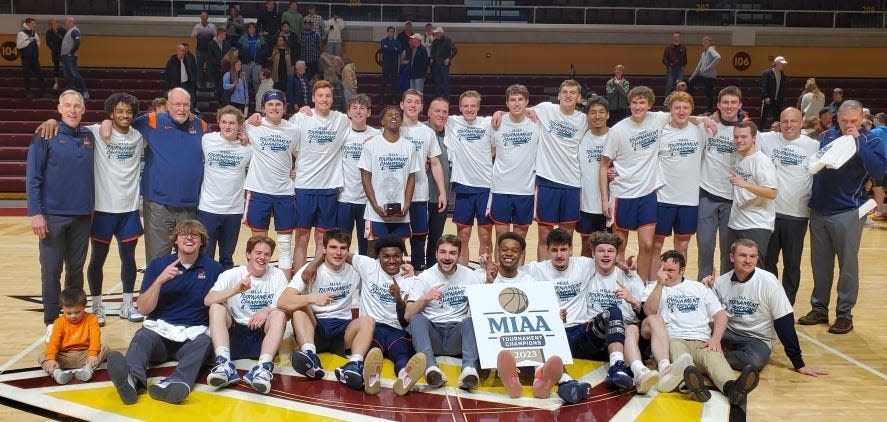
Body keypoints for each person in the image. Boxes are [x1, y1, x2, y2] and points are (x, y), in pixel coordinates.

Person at [107, 220, 223, 405]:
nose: (189, 238)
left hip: (192, 336)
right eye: (184, 234)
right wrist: (159, 281)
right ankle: (132, 380)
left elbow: (221, 306)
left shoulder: (214, 269)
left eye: (195, 235)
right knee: (142, 337)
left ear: (202, 242)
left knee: (205, 342)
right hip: (159, 334)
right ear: (175, 240)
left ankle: (177, 382)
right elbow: (143, 309)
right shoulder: (158, 265)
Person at [799, 100, 887, 334]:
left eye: (854, 122)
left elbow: (879, 171)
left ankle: (844, 314)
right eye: (844, 121)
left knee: (847, 266)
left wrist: (858, 140)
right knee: (819, 264)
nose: (848, 125)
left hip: (847, 212)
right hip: (819, 210)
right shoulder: (828, 136)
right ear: (837, 119)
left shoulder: (871, 140)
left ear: (862, 120)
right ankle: (819, 309)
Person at [522, 229, 634, 392]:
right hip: (554, 333)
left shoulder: (584, 264)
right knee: (535, 330)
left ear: (571, 250)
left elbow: (605, 258)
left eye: (563, 249)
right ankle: (564, 382)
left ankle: (617, 366)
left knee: (613, 311)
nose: (559, 255)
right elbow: (511, 273)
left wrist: (622, 265)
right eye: (554, 250)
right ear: (547, 251)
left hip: (581, 334)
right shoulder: (536, 270)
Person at [644, 250, 759, 405]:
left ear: (682, 270)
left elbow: (720, 315)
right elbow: (649, 312)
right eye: (663, 269)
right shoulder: (653, 287)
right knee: (682, 361)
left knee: (715, 359)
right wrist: (659, 284)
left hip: (702, 340)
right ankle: (692, 387)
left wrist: (716, 339)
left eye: (670, 270)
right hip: (674, 338)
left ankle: (733, 389)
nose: (665, 274)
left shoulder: (698, 287)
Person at [28, 90, 94, 340]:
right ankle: (52, 321)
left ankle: (74, 316)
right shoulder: (45, 134)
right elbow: (33, 178)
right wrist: (36, 213)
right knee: (51, 270)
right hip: (52, 216)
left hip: (81, 216)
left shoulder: (89, 135)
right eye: (67, 106)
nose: (73, 110)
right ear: (59, 109)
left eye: (77, 106)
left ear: (83, 109)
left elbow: (108, 126)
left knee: (75, 270)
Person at [496, 80, 587, 260]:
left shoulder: (584, 120)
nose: (568, 95)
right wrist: (499, 112)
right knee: (545, 236)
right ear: (559, 95)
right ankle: (544, 280)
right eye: (565, 92)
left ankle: (563, 274)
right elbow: (518, 109)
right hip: (547, 181)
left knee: (566, 237)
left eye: (573, 92)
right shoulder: (546, 109)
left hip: (573, 182)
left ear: (579, 97)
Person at [711, 239, 828, 379]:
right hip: (728, 332)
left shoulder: (769, 282)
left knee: (754, 362)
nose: (748, 260)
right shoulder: (721, 282)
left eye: (752, 256)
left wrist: (798, 363)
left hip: (757, 339)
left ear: (757, 258)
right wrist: (704, 291)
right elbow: (706, 315)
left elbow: (784, 322)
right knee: (694, 332)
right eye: (743, 255)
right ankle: (711, 356)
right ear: (732, 257)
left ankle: (708, 358)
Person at [279, 229, 376, 391]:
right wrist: (313, 298)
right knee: (298, 309)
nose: (338, 253)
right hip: (314, 327)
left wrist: (404, 272)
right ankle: (310, 355)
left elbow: (381, 271)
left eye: (343, 248)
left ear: (348, 250)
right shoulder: (310, 270)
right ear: (323, 249)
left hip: (342, 329)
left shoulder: (356, 270)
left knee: (368, 320)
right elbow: (283, 301)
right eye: (333, 247)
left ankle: (354, 364)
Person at [85, 93, 146, 325]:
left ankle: (127, 304)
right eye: (119, 111)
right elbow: (71, 125)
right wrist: (51, 122)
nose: (124, 115)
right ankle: (97, 305)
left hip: (129, 209)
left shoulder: (139, 136)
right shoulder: (96, 131)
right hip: (102, 209)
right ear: (110, 113)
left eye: (128, 111)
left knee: (128, 258)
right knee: (97, 259)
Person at [204, 234, 288, 394]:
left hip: (263, 335)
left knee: (279, 314)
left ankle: (263, 368)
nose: (262, 257)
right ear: (248, 254)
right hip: (236, 333)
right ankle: (224, 364)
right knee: (216, 307)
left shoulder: (277, 275)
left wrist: (267, 310)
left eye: (267, 254)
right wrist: (236, 290)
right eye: (258, 253)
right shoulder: (232, 275)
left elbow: (286, 308)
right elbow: (208, 300)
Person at [757, 107, 820, 304]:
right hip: (770, 213)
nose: (789, 125)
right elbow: (743, 128)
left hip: (798, 215)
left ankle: (787, 305)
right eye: (785, 121)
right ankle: (770, 303)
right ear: (779, 123)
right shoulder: (767, 139)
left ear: (802, 123)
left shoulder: (814, 146)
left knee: (792, 264)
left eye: (794, 121)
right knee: (768, 263)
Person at [404, 235, 483, 390]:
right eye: (443, 252)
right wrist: (425, 299)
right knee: (417, 318)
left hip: (457, 336)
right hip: (433, 337)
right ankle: (431, 369)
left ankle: (469, 370)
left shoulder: (470, 275)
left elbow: (482, 309)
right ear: (436, 254)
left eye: (452, 253)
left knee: (470, 321)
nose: (447, 257)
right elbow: (407, 315)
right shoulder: (424, 278)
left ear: (459, 255)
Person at [289, 80, 351, 270]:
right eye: (320, 95)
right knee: (302, 237)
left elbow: (360, 128)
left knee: (322, 238)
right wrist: (297, 162)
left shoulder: (341, 120)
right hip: (304, 186)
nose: (324, 99)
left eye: (328, 96)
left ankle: (316, 276)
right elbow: (287, 143)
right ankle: (298, 280)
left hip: (329, 187)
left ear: (332, 99)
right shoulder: (300, 118)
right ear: (313, 98)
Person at [241, 90, 300, 274]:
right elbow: (235, 132)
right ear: (263, 108)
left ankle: (284, 285)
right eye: (270, 104)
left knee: (285, 244)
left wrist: (297, 169)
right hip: (259, 191)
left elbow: (301, 154)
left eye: (278, 104)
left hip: (285, 192)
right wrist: (251, 117)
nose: (274, 108)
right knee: (258, 243)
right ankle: (258, 280)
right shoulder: (251, 125)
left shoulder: (293, 129)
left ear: (284, 107)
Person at [652, 91, 704, 280]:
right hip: (663, 197)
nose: (681, 111)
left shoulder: (700, 131)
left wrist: (703, 120)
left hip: (689, 199)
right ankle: (653, 283)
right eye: (677, 108)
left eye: (685, 108)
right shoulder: (661, 130)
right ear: (670, 110)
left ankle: (677, 282)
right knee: (656, 244)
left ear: (691, 110)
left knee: (682, 245)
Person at [360, 106, 421, 253]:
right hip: (377, 210)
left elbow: (411, 178)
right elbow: (365, 176)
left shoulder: (410, 147)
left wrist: (407, 204)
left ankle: (396, 277)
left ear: (401, 121)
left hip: (401, 212)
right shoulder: (371, 145)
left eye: (397, 115)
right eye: (389, 114)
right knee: (374, 250)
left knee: (397, 251)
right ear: (381, 121)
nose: (394, 117)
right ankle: (372, 277)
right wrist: (374, 204)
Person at [198, 106, 252, 270]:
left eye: (232, 123)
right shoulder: (207, 140)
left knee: (227, 258)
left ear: (239, 125)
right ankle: (205, 294)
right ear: (219, 123)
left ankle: (225, 294)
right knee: (205, 257)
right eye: (224, 122)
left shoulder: (248, 148)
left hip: (233, 211)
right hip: (208, 209)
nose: (228, 126)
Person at [697, 86, 743, 280]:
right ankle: (703, 289)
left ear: (740, 105)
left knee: (728, 251)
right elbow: (679, 119)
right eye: (725, 102)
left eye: (733, 102)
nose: (729, 106)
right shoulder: (707, 126)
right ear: (718, 105)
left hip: (732, 199)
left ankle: (725, 292)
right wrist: (703, 118)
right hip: (707, 194)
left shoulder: (745, 131)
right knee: (705, 247)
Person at [446, 91, 495, 266]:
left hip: (486, 186)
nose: (469, 109)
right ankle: (463, 273)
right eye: (465, 106)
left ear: (478, 107)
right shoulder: (452, 122)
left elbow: (496, 145)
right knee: (463, 236)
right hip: (463, 186)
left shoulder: (487, 123)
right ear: (459, 108)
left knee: (485, 234)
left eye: (473, 106)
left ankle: (485, 272)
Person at [490, 84, 539, 258]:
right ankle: (499, 281)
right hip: (501, 189)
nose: (516, 104)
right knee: (501, 239)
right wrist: (499, 113)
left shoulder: (536, 123)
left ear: (527, 102)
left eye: (520, 100)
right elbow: (489, 151)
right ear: (507, 103)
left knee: (520, 241)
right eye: (512, 100)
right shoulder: (497, 123)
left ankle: (518, 280)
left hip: (525, 190)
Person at [399, 89, 446, 269]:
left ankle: (418, 275)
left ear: (421, 107)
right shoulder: (393, 128)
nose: (412, 105)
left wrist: (442, 192)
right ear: (402, 105)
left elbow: (435, 163)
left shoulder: (427, 133)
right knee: (397, 239)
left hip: (420, 194)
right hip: (396, 196)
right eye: (409, 101)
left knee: (419, 238)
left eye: (416, 102)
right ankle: (396, 279)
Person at [726, 121, 778, 263]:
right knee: (734, 270)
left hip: (756, 225)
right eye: (736, 137)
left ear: (754, 138)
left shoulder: (761, 161)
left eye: (744, 136)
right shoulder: (740, 156)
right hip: (736, 222)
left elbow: (772, 192)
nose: (739, 140)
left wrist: (745, 184)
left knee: (752, 271)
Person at [40, 287, 111, 384]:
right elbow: (54, 342)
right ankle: (56, 373)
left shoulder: (92, 319)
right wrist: (51, 359)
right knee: (43, 356)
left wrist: (93, 354)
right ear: (62, 308)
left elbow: (95, 338)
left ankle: (88, 369)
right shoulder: (59, 322)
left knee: (105, 348)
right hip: (65, 356)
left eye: (77, 312)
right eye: (68, 313)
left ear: (84, 306)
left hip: (85, 355)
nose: (73, 316)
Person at [337, 93, 379, 254]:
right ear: (348, 112)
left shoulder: (377, 136)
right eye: (354, 108)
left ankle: (364, 277)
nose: (358, 111)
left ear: (369, 112)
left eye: (362, 108)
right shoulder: (341, 133)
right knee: (342, 243)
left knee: (366, 245)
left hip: (367, 200)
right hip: (344, 198)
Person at [577, 96, 610, 257]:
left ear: (608, 115)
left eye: (601, 112)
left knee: (609, 247)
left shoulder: (615, 136)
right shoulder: (581, 137)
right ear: (587, 116)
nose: (597, 116)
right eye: (593, 112)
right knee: (587, 246)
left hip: (610, 203)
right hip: (586, 202)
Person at [424, 97, 451, 268]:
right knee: (418, 237)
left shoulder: (451, 133)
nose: (441, 114)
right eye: (437, 110)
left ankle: (432, 269)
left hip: (442, 196)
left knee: (436, 237)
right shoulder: (420, 132)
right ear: (428, 113)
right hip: (421, 196)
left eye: (444, 111)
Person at [687, 36, 721, 113]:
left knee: (709, 93)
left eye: (706, 42)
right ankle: (689, 101)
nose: (704, 44)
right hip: (703, 75)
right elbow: (699, 66)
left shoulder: (710, 50)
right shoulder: (703, 53)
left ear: (709, 43)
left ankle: (709, 111)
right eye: (703, 42)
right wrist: (692, 76)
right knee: (690, 82)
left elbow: (718, 57)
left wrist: (709, 67)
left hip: (709, 77)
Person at [60, 17, 88, 99]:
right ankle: (70, 91)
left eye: (67, 22)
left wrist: (71, 53)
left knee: (75, 74)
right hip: (65, 56)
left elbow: (77, 43)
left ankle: (85, 91)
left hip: (70, 57)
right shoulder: (69, 31)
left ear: (71, 22)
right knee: (67, 75)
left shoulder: (74, 31)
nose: (65, 23)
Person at [17, 17, 45, 98]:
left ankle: (44, 91)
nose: (35, 25)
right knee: (26, 75)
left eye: (35, 23)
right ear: (28, 23)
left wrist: (35, 41)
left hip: (35, 58)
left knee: (39, 74)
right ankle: (28, 92)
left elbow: (38, 43)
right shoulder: (21, 33)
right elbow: (19, 46)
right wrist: (29, 40)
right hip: (26, 59)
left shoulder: (34, 33)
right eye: (33, 23)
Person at [164, 44, 198, 109]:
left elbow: (192, 71)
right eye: (182, 51)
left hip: (187, 84)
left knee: (190, 101)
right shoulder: (172, 62)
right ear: (177, 51)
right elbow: (169, 76)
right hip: (176, 85)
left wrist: (192, 81)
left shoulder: (187, 60)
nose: (184, 53)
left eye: (184, 51)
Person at [238, 23, 268, 97]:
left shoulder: (260, 38)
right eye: (250, 28)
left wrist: (260, 55)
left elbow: (265, 49)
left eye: (253, 28)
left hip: (257, 63)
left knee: (256, 80)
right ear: (247, 29)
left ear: (255, 29)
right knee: (244, 81)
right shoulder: (242, 38)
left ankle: (259, 97)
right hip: (245, 63)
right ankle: (243, 97)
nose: (252, 29)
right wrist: (243, 56)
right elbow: (239, 49)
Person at [760, 56, 788, 128]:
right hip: (768, 99)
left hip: (778, 100)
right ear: (777, 63)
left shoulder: (783, 75)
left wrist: (782, 98)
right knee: (764, 116)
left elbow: (783, 88)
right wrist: (765, 96)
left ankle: (777, 131)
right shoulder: (767, 73)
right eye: (782, 64)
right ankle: (760, 130)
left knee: (777, 117)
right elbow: (763, 85)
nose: (783, 65)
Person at [191, 11, 217, 86]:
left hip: (209, 51)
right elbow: (192, 36)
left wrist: (212, 33)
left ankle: (210, 82)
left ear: (207, 17)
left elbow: (217, 38)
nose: (203, 17)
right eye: (202, 16)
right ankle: (199, 82)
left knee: (210, 67)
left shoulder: (212, 26)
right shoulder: (197, 26)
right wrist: (197, 33)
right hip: (199, 50)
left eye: (205, 16)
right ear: (200, 17)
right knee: (199, 67)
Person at [430, 27, 455, 100]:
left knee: (444, 82)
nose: (435, 34)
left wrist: (448, 58)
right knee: (437, 82)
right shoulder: (435, 41)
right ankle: (438, 98)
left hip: (444, 65)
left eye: (437, 33)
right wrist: (432, 58)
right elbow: (432, 52)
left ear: (441, 33)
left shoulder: (447, 40)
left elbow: (454, 50)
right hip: (436, 64)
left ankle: (446, 99)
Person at [207, 28, 230, 102]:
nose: (225, 36)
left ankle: (223, 102)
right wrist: (220, 62)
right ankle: (217, 103)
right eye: (224, 34)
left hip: (224, 70)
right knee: (216, 88)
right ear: (219, 34)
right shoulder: (211, 44)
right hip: (215, 70)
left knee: (223, 87)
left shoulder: (226, 44)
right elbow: (210, 57)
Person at [380, 26, 401, 105]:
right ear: (387, 32)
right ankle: (381, 98)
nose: (391, 33)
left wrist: (389, 48)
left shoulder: (397, 42)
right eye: (390, 31)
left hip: (394, 65)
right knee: (384, 81)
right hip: (386, 64)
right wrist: (393, 49)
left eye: (393, 32)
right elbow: (383, 49)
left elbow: (399, 50)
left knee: (394, 82)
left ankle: (394, 98)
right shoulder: (383, 41)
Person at [662, 31, 687, 98]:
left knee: (680, 85)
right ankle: (666, 101)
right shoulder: (668, 48)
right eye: (675, 37)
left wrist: (683, 66)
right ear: (673, 38)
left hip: (679, 69)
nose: (676, 38)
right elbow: (664, 59)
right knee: (669, 85)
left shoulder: (683, 47)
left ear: (679, 38)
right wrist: (669, 66)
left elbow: (685, 59)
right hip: (671, 69)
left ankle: (680, 99)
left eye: (678, 37)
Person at [45, 17, 65, 91]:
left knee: (66, 67)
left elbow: (66, 40)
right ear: (50, 24)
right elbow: (48, 43)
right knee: (56, 67)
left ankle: (67, 83)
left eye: (56, 22)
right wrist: (53, 48)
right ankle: (56, 83)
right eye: (53, 23)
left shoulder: (63, 30)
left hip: (64, 52)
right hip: (55, 52)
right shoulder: (49, 32)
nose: (55, 24)